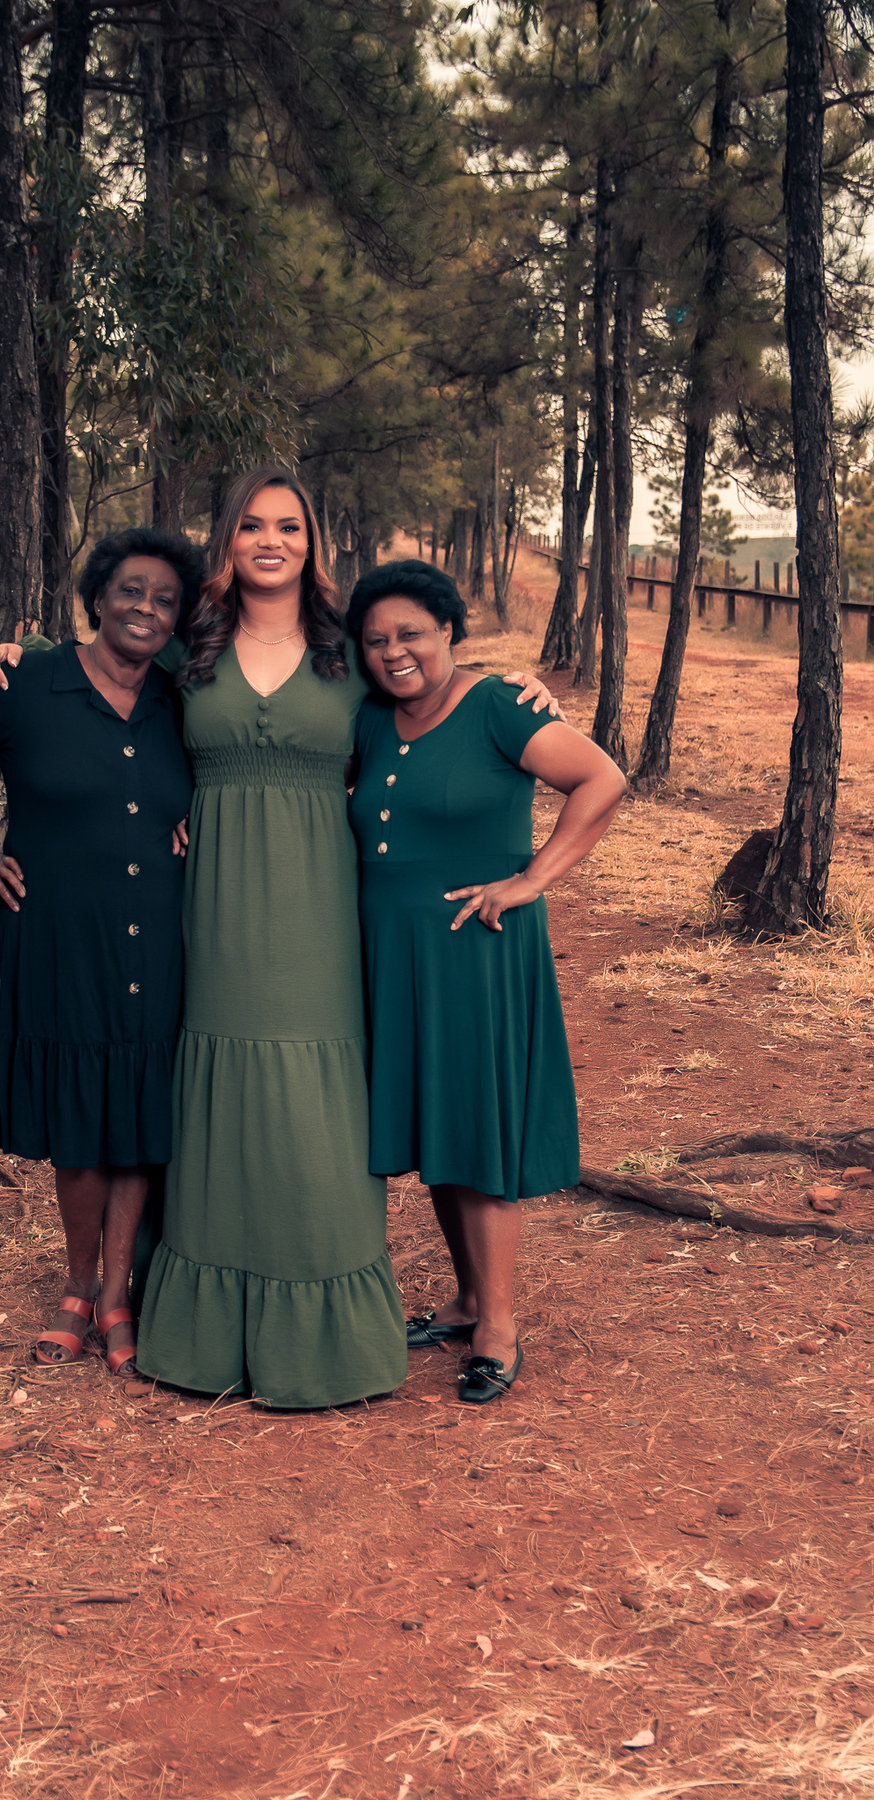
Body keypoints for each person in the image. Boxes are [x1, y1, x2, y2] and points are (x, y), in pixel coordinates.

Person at [0, 473, 560, 1408]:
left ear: (312, 540)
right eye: (252, 524)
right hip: (209, 900)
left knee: (320, 1086)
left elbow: (427, 684)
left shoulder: (345, 647)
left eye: (289, 525)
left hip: (323, 901)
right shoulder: (191, 645)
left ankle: (324, 1323)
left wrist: (516, 686)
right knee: (212, 1076)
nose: (270, 540)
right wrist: (19, 650)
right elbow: (99, 662)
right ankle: (199, 1313)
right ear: (228, 537)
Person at [0, 529, 203, 1374]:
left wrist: (195, 819)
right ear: (97, 597)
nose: (146, 608)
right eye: (131, 590)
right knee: (79, 1113)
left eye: (165, 599)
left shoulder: (182, 694)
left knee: (138, 1106)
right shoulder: (24, 680)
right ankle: (76, 1284)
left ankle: (118, 1291)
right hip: (58, 928)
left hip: (160, 929)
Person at [346, 560, 626, 1403]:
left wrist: (533, 878)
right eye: (376, 640)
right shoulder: (367, 721)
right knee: (437, 1125)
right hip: (393, 954)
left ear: (449, 634)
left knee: (480, 1128)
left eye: (411, 634)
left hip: (478, 949)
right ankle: (467, 1300)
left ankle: (499, 1327)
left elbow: (602, 778)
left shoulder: (501, 707)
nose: (395, 652)